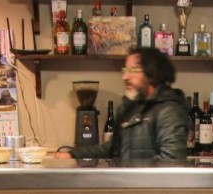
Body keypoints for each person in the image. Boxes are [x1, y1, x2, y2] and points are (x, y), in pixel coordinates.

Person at [54, 47, 189, 161]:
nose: (125, 77)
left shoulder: (169, 111)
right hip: (129, 190)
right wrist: (72, 154)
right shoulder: (130, 109)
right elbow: (112, 148)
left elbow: (172, 164)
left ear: (152, 74)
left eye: (133, 70)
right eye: (125, 70)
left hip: (149, 192)